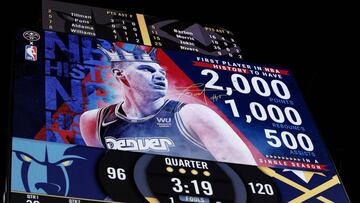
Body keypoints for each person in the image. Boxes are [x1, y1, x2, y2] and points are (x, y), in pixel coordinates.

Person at [80, 43, 256, 165]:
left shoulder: (193, 115)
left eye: (161, 72)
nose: (159, 76)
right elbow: (103, 175)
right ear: (120, 74)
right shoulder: (94, 120)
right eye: (147, 69)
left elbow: (247, 175)